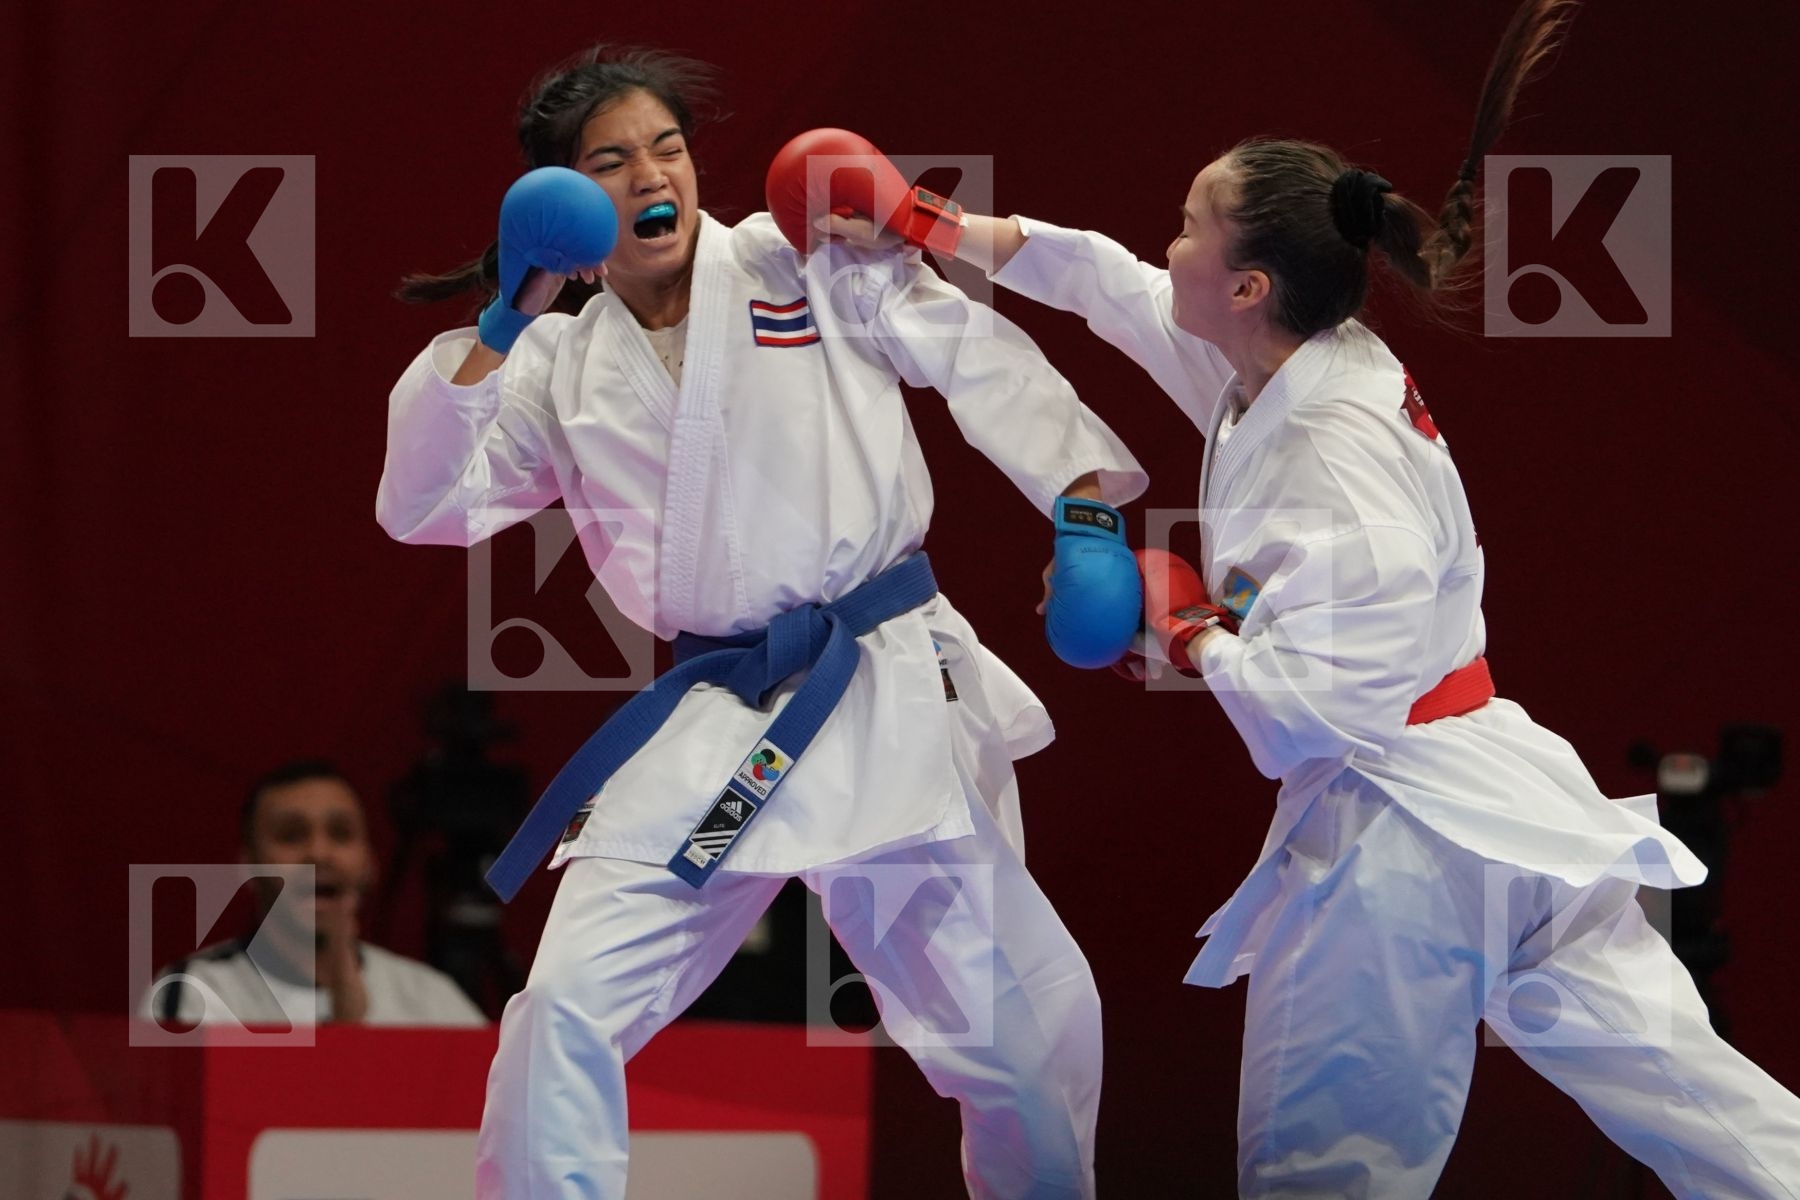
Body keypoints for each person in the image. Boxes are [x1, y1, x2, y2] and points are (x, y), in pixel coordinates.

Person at [821, 0, 1800, 1194]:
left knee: (1322, 1175)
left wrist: (1185, 628)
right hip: (1512, 815)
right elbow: (1110, 285)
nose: (1169, 244)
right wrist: (932, 223)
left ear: (1248, 283)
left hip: (1397, 840)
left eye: (1191, 226)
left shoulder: (1329, 446)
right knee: (1709, 1113)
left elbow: (1316, 710)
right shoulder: (1283, 360)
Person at [381, 45, 1147, 1200]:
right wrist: (507, 312)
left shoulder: (802, 259)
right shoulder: (555, 364)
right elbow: (424, 505)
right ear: (565, 203)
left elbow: (975, 357)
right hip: (723, 720)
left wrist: (1081, 507)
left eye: (668, 148)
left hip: (880, 689)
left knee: (1020, 1042)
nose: (653, 175)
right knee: (565, 1008)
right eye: (611, 162)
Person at [140, 759, 487, 1027]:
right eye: (291, 835)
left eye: (341, 833)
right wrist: (344, 1022)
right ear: (249, 866)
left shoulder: (434, 1001)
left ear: (370, 863)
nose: (319, 853)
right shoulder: (196, 993)